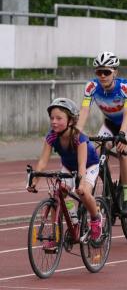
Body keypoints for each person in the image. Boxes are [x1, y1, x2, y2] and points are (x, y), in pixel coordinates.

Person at [76, 51, 127, 217]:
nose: (103, 76)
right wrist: (76, 131)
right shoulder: (91, 87)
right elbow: (84, 110)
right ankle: (106, 189)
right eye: (99, 72)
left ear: (115, 72)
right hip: (110, 123)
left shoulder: (125, 87)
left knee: (123, 150)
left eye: (106, 72)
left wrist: (122, 134)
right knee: (94, 153)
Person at [27, 98, 102, 247]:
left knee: (83, 192)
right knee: (57, 194)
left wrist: (81, 182)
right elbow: (42, 162)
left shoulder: (79, 137)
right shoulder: (51, 136)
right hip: (68, 166)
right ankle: (58, 234)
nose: (54, 121)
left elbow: (82, 165)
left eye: (59, 118)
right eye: (52, 118)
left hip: (88, 166)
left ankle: (96, 218)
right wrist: (34, 181)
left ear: (71, 121)